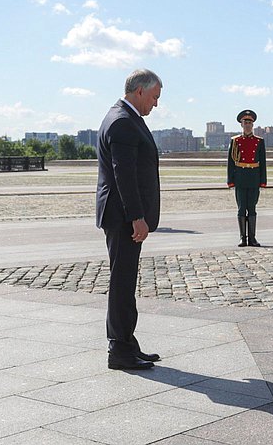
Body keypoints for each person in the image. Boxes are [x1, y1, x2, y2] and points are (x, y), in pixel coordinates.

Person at [96, 69, 163, 370]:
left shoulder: (125, 116)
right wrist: (137, 216)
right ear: (139, 91)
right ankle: (119, 350)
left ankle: (126, 342)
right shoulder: (123, 121)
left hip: (122, 214)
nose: (156, 104)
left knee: (125, 279)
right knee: (122, 280)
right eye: (154, 97)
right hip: (123, 216)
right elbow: (123, 173)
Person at [227, 109, 267, 247]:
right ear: (241, 124)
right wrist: (230, 180)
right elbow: (230, 162)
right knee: (241, 208)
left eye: (250, 122)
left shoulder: (259, 141)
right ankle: (243, 238)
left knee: (252, 208)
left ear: (253, 124)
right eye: (245, 122)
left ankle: (252, 238)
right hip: (240, 178)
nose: (248, 124)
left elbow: (263, 162)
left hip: (254, 177)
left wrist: (263, 181)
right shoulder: (235, 141)